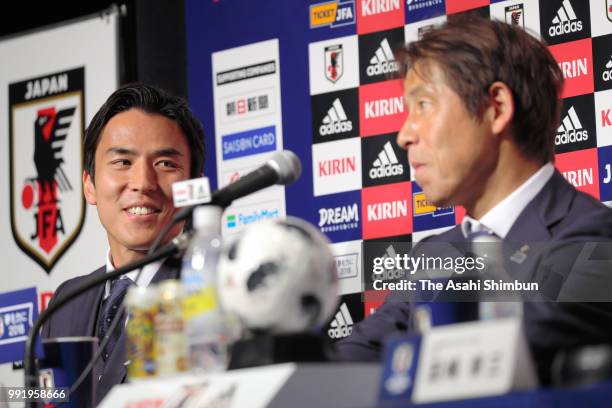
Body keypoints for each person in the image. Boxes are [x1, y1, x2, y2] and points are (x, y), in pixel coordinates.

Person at [336, 16, 612, 385]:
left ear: (496, 107)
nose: (403, 135)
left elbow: (490, 356)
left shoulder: (596, 239)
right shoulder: (436, 253)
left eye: (423, 105)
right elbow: (352, 359)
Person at [42, 83, 205, 402]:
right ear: (89, 185)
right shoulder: (66, 301)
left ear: (195, 188)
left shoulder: (216, 287)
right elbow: (50, 396)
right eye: (122, 162)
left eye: (165, 164)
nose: (143, 183)